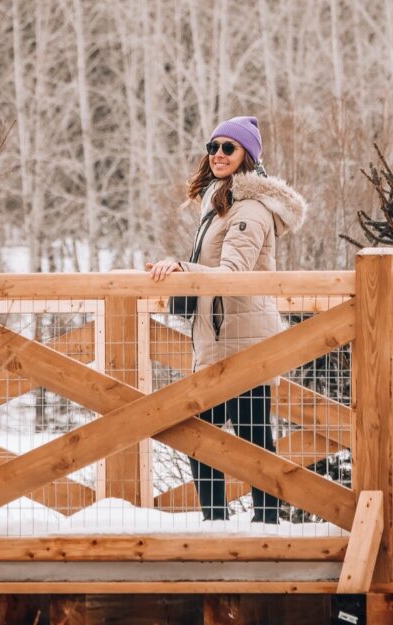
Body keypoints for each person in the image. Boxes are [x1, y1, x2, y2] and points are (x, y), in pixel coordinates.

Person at [147, 116, 307, 523]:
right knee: (218, 433)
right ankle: (231, 520)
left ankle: (255, 522)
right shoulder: (221, 204)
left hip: (244, 340)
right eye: (213, 147)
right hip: (220, 337)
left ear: (247, 156)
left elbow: (233, 272)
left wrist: (182, 268)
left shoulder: (249, 209)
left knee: (236, 436)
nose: (218, 154)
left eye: (228, 148)